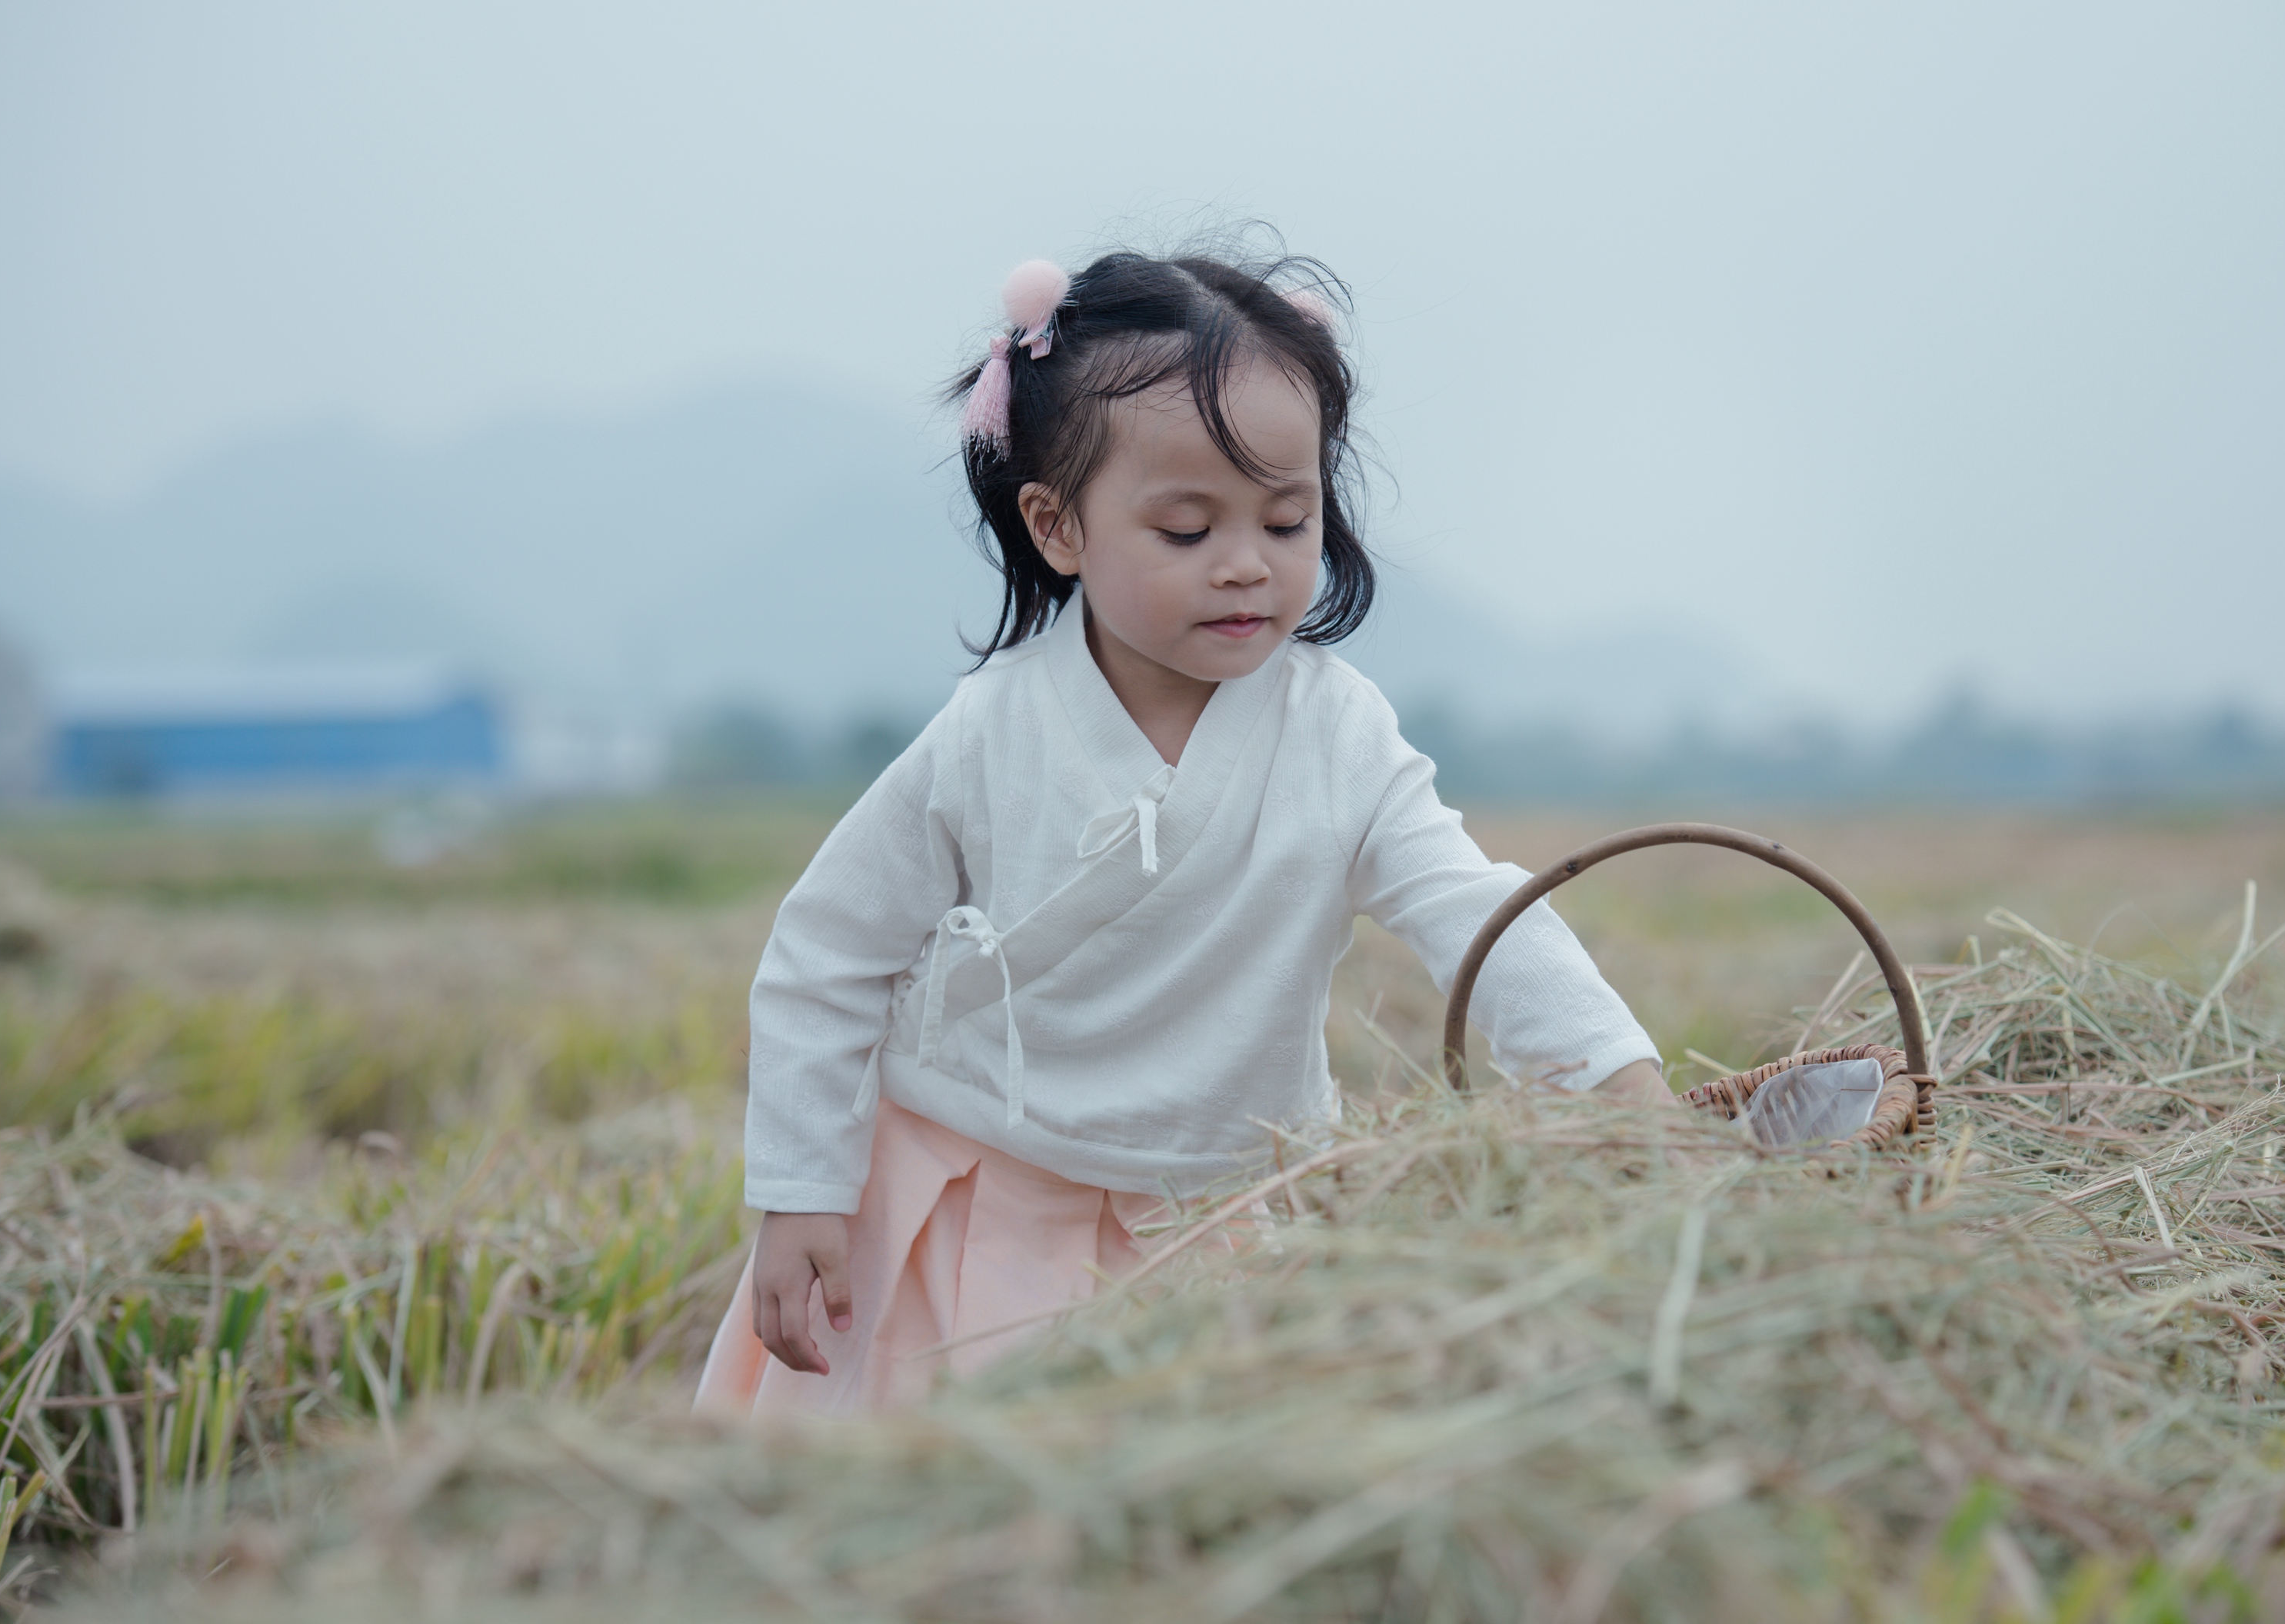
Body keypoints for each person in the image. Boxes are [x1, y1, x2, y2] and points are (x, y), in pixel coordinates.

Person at [696, 241, 1673, 1415]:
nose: (1245, 568)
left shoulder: (1340, 734)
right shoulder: (989, 734)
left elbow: (1474, 909)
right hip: (976, 1212)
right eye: (1186, 531)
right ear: (1060, 528)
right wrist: (801, 1189)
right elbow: (828, 955)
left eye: (1284, 520)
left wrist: (1619, 1087)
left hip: (1226, 1222)